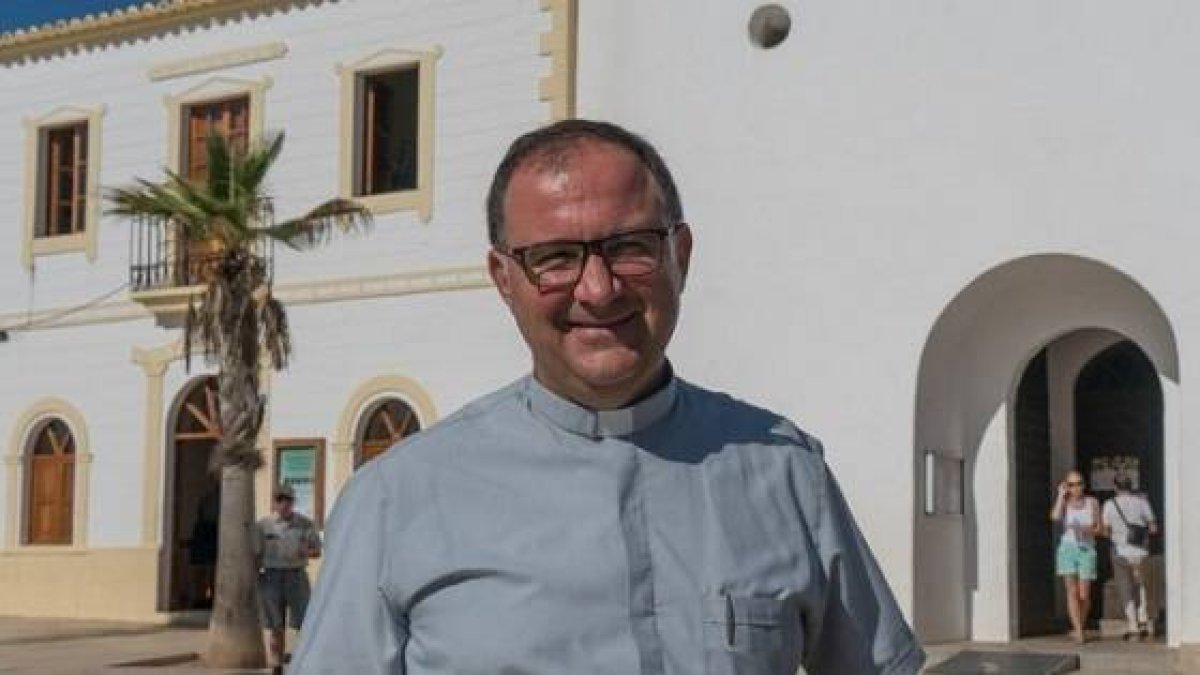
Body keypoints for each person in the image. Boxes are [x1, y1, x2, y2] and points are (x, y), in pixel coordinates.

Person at [291, 119, 924, 674]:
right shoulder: (395, 499)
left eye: (628, 248)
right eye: (556, 257)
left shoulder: (785, 473)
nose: (597, 289)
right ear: (504, 279)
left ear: (680, 255)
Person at [255, 483, 322, 669]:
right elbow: (256, 553)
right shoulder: (263, 525)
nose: (284, 503)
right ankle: (277, 664)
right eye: (279, 499)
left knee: (304, 621)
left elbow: (317, 551)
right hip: (271, 577)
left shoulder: (305, 524)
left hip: (296, 575)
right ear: (274, 502)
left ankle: (305, 659)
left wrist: (305, 551)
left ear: (293, 502)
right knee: (275, 624)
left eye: (288, 499)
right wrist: (254, 578)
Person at [1101, 472, 1158, 640]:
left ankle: (1133, 625)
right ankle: (1145, 620)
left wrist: (1116, 535)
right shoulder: (1142, 502)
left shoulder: (1109, 505)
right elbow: (1154, 528)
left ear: (1115, 487)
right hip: (1141, 552)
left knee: (1126, 588)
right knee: (1143, 586)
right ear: (1131, 485)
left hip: (1120, 552)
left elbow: (1105, 530)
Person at [1050, 469, 1101, 643]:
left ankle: (1079, 623)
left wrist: (1087, 529)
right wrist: (1060, 495)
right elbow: (1055, 517)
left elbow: (1100, 528)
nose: (1076, 487)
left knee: (1084, 594)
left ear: (1084, 485)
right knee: (1071, 591)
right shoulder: (1064, 503)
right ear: (1067, 486)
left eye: (1079, 483)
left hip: (1086, 548)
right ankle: (1079, 631)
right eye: (1071, 484)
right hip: (1068, 549)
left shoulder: (1092, 502)